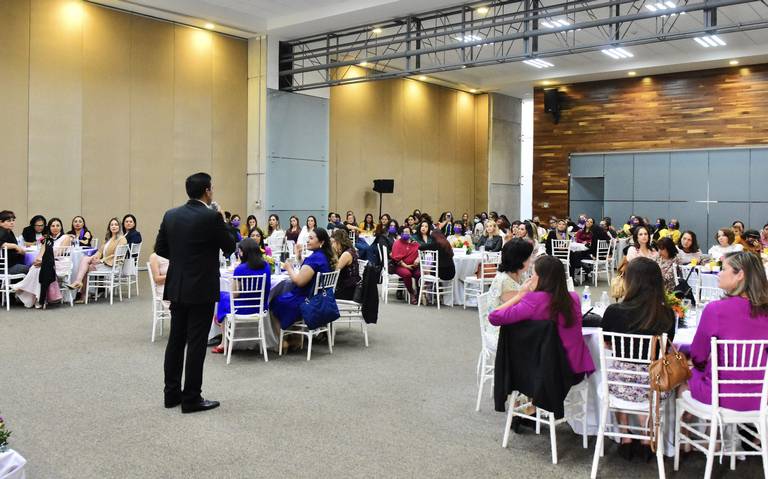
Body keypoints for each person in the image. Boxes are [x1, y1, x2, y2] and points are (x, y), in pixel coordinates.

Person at [154, 172, 236, 413]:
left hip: (177, 285)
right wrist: (220, 217)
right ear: (207, 191)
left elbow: (160, 248)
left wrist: (183, 260)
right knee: (197, 343)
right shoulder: (211, 217)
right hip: (201, 287)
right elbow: (230, 247)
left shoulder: (171, 215)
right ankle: (191, 397)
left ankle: (171, 395)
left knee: (176, 340)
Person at [601, 257, 676, 460]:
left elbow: (607, 344)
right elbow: (665, 349)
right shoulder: (667, 314)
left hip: (618, 386)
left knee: (618, 370)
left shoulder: (614, 311)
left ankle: (625, 438)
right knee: (645, 374)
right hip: (654, 388)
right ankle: (646, 438)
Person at [684, 252, 768, 411]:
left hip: (720, 396)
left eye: (723, 269)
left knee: (682, 377)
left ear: (740, 275)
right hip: (761, 398)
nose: (719, 274)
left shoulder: (716, 310)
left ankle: (686, 433)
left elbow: (698, 357)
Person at [489, 255, 595, 379]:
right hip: (575, 370)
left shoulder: (533, 301)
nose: (530, 278)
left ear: (541, 278)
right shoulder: (574, 298)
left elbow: (494, 317)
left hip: (547, 374)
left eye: (532, 274)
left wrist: (519, 295)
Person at [211, 238, 271, 354]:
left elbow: (235, 294)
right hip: (260, 307)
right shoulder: (266, 266)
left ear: (243, 252)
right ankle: (220, 318)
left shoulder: (240, 269)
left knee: (222, 296)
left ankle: (223, 339)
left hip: (242, 308)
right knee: (223, 297)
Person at [271, 228, 335, 330]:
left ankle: (284, 342)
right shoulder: (322, 256)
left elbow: (299, 281)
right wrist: (299, 257)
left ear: (321, 242)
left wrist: (289, 268)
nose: (308, 241)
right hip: (320, 298)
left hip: (308, 301)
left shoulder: (315, 258)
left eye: (311, 238)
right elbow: (308, 271)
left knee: (274, 302)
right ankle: (295, 339)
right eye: (308, 238)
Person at [13, 217, 72, 308]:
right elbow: (41, 253)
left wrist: (43, 261)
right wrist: (37, 260)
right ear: (49, 228)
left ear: (61, 227)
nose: (55, 228)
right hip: (48, 262)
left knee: (41, 268)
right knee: (35, 267)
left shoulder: (66, 237)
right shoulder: (47, 239)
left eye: (57, 225)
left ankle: (23, 288)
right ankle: (38, 298)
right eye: (53, 226)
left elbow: (58, 253)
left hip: (60, 263)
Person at [68, 218, 128, 298]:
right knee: (86, 264)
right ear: (109, 227)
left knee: (84, 265)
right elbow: (100, 251)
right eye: (112, 225)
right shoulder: (108, 238)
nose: (113, 226)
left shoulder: (122, 239)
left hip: (112, 265)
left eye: (116, 225)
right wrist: (95, 257)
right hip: (105, 264)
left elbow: (117, 255)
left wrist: (101, 261)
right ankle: (81, 288)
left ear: (119, 227)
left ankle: (81, 289)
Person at [487, 239, 534, 313]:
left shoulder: (520, 274)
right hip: (503, 321)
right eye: (529, 257)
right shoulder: (504, 281)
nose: (531, 260)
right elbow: (522, 305)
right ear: (520, 260)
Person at [391, 226, 421, 304]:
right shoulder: (397, 243)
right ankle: (411, 293)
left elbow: (420, 253)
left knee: (419, 274)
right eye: (404, 232)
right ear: (401, 234)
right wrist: (406, 266)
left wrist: (418, 259)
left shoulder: (415, 243)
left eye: (407, 232)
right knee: (407, 274)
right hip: (400, 266)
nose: (406, 234)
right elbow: (395, 257)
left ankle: (419, 293)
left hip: (414, 266)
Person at [331, 229, 359, 301]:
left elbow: (334, 270)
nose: (332, 245)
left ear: (338, 241)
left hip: (347, 290)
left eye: (333, 242)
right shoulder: (350, 250)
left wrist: (334, 252)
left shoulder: (346, 254)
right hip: (351, 286)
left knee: (323, 296)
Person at [0, 210, 29, 275]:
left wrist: (20, 250)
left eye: (13, 220)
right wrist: (15, 246)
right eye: (9, 221)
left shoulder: (8, 232)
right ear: (0, 222)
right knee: (32, 268)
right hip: (6, 268)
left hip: (10, 265)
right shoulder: (2, 231)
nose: (12, 223)